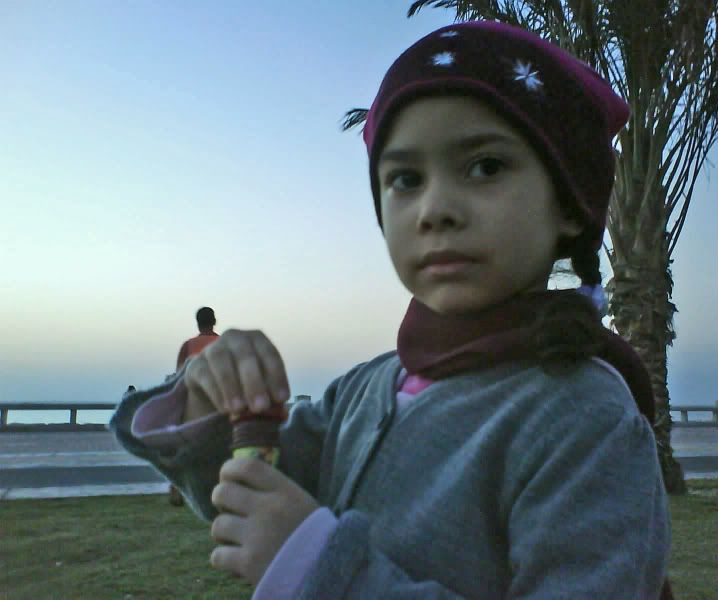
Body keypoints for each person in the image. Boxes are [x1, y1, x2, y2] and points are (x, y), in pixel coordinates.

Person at [110, 21, 671, 599]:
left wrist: (316, 565)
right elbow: (249, 489)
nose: (435, 209)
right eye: (405, 178)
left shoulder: (585, 418)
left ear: (570, 204)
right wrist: (209, 399)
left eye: (485, 166)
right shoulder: (363, 391)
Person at [167, 306, 221, 506]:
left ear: (197, 323)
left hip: (194, 404)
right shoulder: (223, 344)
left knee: (183, 448)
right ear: (214, 321)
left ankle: (176, 490)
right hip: (218, 404)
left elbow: (179, 377)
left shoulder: (188, 346)